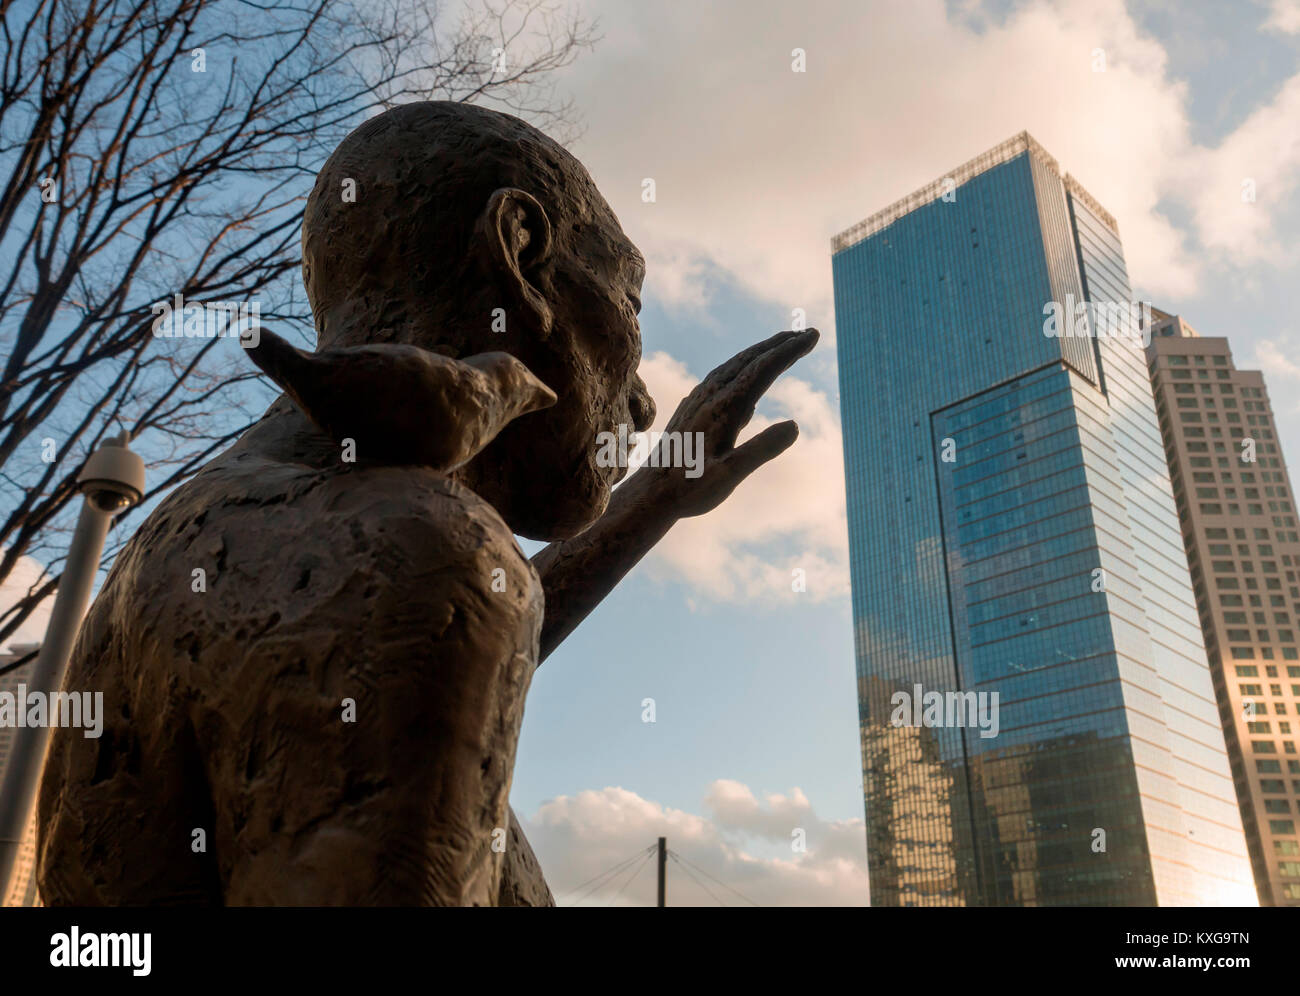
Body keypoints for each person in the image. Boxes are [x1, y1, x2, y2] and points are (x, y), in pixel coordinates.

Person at [37, 101, 817, 905]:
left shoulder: (195, 537)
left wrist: (655, 500)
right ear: (520, 251)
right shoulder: (422, 548)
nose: (649, 405)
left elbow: (405, 645)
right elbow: (422, 602)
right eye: (631, 302)